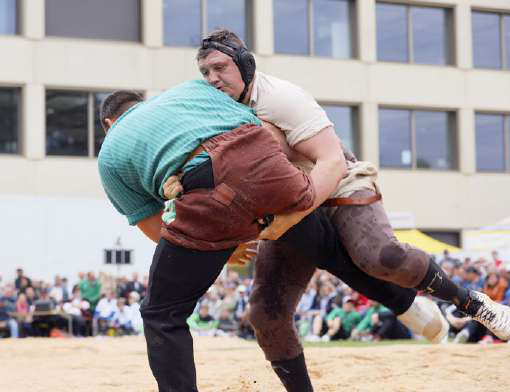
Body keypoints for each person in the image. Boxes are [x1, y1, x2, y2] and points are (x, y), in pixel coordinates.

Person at [164, 28, 510, 391]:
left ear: (245, 65)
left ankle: (471, 303)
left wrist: (298, 215)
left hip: (337, 181)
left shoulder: (282, 98)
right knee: (265, 314)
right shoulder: (210, 110)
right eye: (205, 72)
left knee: (380, 255)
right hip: (286, 200)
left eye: (220, 67)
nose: (213, 78)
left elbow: (331, 161)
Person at [98, 82, 344, 392]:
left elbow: (158, 229)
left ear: (109, 124)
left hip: (208, 192)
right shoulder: (185, 96)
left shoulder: (112, 153)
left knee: (161, 313)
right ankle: (404, 294)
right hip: (268, 167)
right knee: (335, 252)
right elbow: (259, 128)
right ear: (146, 103)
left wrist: (223, 248)